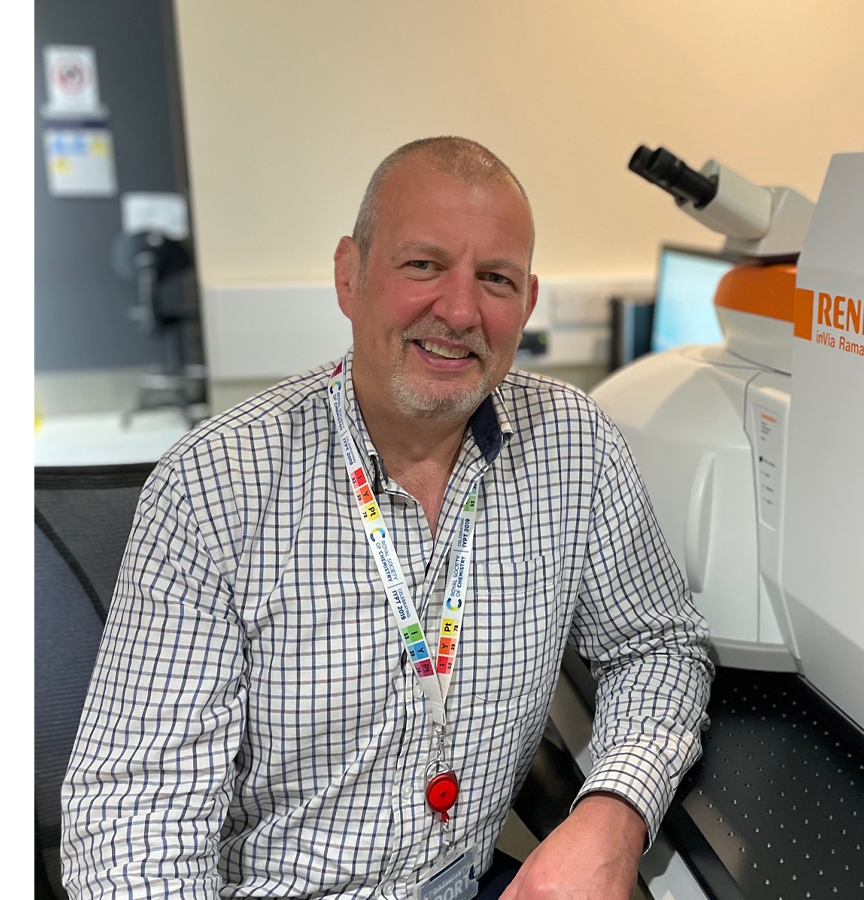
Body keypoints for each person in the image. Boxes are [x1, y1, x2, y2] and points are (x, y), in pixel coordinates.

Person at [60, 136, 714, 900]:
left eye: (495, 279)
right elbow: (134, 827)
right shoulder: (215, 486)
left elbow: (657, 645)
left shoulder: (577, 444)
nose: (461, 309)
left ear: (526, 304)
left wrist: (612, 815)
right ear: (350, 275)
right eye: (424, 265)